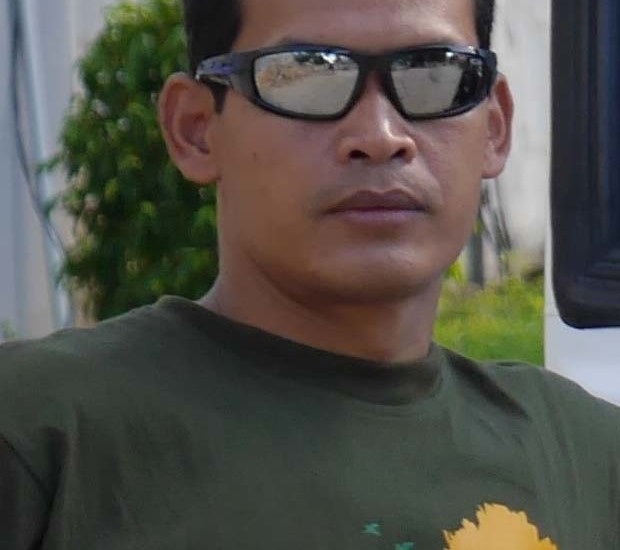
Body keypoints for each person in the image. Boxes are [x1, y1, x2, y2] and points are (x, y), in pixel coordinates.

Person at [0, 0, 618, 548]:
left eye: (434, 73)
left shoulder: (586, 459)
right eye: (307, 75)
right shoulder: (41, 434)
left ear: (495, 125)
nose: (380, 136)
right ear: (195, 129)